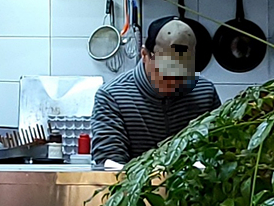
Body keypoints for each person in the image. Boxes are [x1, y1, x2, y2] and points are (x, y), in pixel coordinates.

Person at [89, 15, 221, 166]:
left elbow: (219, 152)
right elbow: (110, 164)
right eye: (166, 71)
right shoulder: (112, 97)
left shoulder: (205, 93)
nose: (173, 81)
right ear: (145, 55)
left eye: (181, 73)